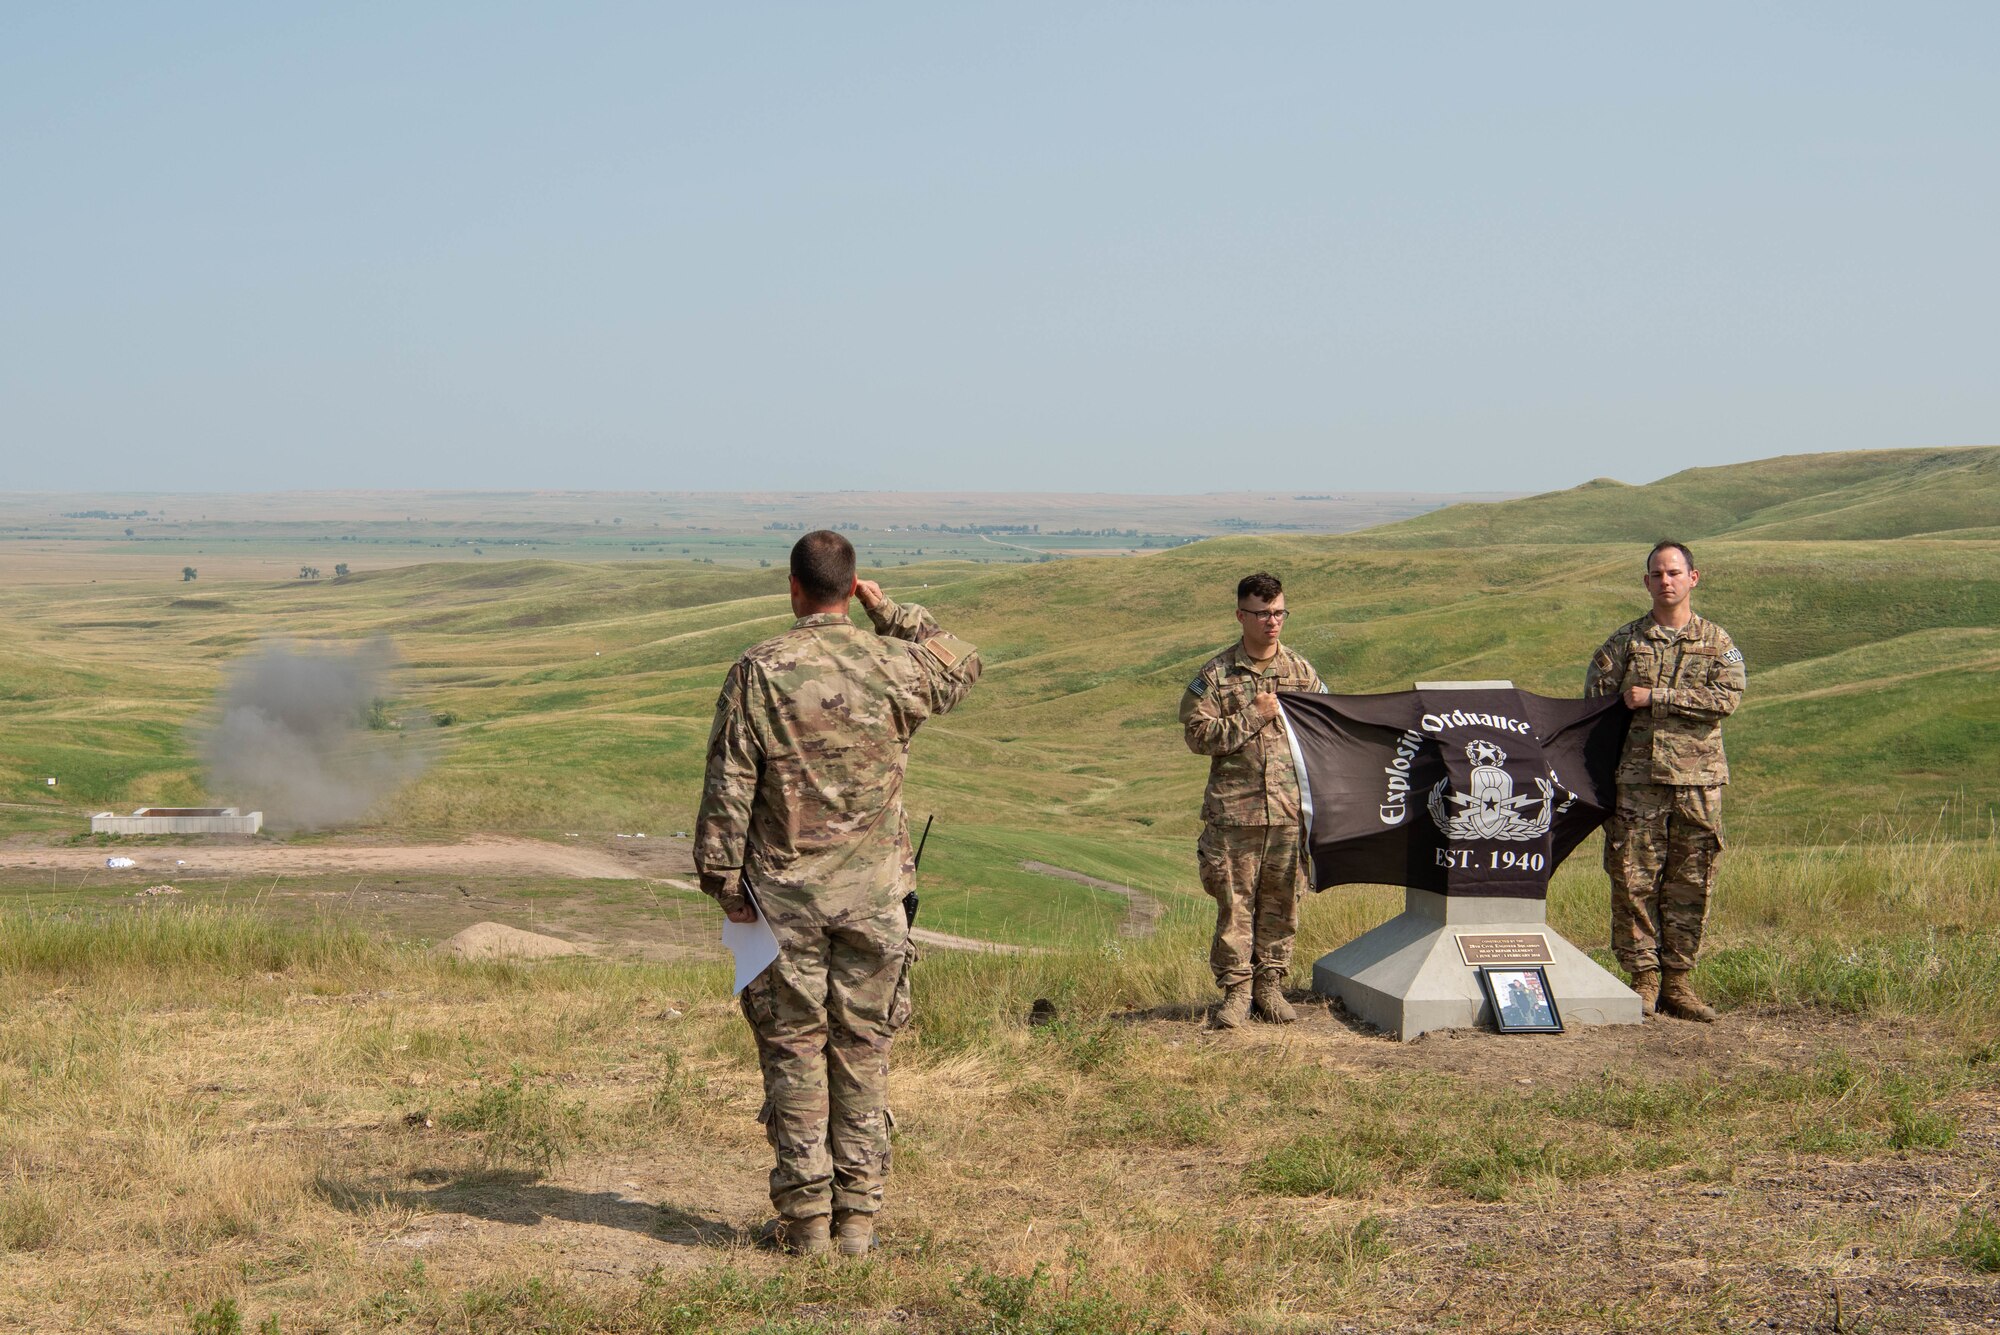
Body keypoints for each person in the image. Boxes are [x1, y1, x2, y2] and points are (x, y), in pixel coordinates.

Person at [695, 530, 981, 1257]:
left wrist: (724, 881)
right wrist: (894, 614)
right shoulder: (894, 662)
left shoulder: (760, 670)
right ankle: (858, 1220)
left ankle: (808, 1224)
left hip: (783, 903)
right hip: (876, 899)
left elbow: (729, 783)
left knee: (794, 1050)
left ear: (793, 588)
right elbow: (963, 663)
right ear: (852, 589)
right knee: (863, 1049)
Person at [1586, 540, 1745, 1023]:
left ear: (1693, 578)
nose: (1666, 581)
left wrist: (1655, 696)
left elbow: (1726, 699)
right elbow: (1595, 709)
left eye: (1674, 572)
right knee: (1633, 880)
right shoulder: (1623, 644)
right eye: (1657, 574)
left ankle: (1679, 982)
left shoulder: (1718, 643)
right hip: (1637, 784)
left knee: (1691, 881)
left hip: (1698, 785)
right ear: (1647, 582)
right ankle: (1644, 980)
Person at [1179, 572, 1326, 1028]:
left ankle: (1270, 987)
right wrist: (1252, 715)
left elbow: (1327, 731)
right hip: (1235, 815)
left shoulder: (1301, 672)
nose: (1272, 621)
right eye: (1262, 613)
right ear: (1241, 615)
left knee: (1283, 903)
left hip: (1287, 813)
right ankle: (1237, 993)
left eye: (1279, 612)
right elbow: (1198, 736)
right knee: (1234, 905)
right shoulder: (1215, 675)